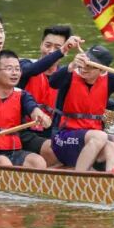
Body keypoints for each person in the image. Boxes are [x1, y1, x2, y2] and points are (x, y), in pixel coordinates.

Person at [43, 45, 114, 172]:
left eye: (91, 65)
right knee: (101, 137)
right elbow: (53, 82)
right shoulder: (69, 74)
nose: (85, 67)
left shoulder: (110, 80)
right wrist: (71, 65)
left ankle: (113, 182)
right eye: (85, 61)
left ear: (102, 70)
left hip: (92, 140)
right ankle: (78, 179)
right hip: (63, 139)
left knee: (111, 146)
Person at [18, 25, 84, 154]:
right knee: (58, 149)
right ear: (40, 45)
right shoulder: (23, 66)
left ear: (66, 52)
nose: (50, 51)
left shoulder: (68, 73)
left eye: (57, 47)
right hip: (23, 132)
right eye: (47, 45)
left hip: (54, 132)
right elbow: (33, 70)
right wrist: (62, 50)